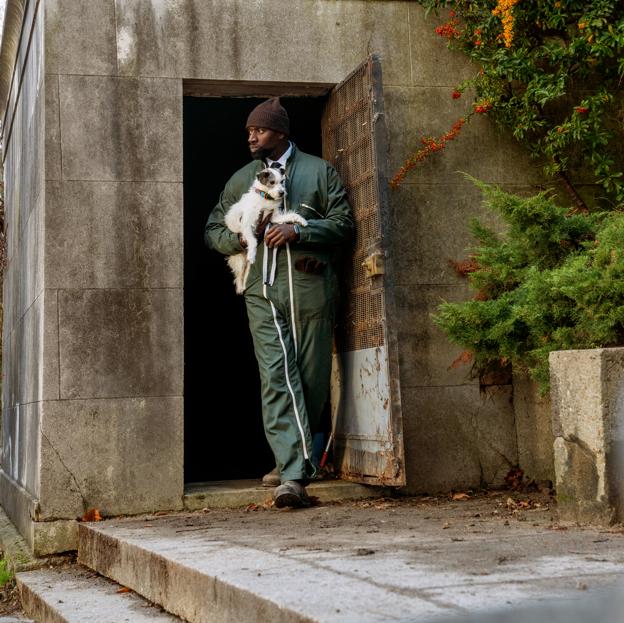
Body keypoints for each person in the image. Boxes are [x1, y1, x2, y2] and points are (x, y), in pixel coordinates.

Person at [205, 97, 353, 508]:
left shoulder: (319, 172)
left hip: (309, 289)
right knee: (275, 375)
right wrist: (237, 237)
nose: (251, 136)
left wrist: (299, 233)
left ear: (281, 133)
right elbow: (212, 228)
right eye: (249, 131)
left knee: (309, 376)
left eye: (259, 130)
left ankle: (295, 456)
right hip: (261, 290)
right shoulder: (240, 180)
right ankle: (293, 475)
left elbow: (344, 224)